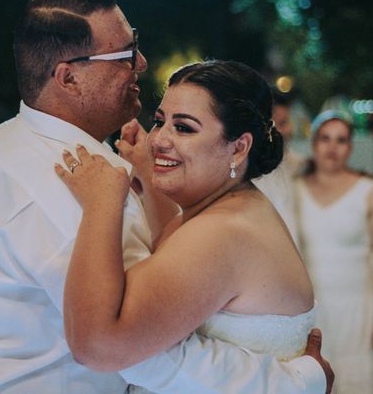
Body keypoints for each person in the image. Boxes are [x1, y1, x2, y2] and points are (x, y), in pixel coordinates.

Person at [0, 0, 332, 393]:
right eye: (125, 54)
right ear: (69, 79)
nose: (140, 63)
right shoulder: (86, 182)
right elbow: (144, 352)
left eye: (183, 126)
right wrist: (300, 380)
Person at [55, 60, 327, 390]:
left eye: (183, 128)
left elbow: (97, 346)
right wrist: (150, 176)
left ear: (238, 147)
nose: (157, 140)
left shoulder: (225, 231)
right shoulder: (232, 207)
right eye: (159, 122)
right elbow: (174, 254)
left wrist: (100, 205)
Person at [294, 110, 373, 393]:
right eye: (325, 139)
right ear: (314, 144)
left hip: (359, 307)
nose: (332, 147)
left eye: (341, 140)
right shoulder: (295, 190)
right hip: (313, 307)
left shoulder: (371, 191)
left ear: (350, 147)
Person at [254, 89, 306, 245]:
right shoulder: (244, 173)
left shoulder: (295, 164)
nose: (289, 130)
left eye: (288, 122)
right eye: (282, 124)